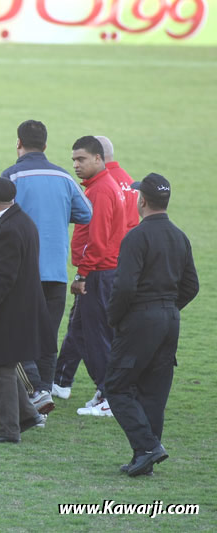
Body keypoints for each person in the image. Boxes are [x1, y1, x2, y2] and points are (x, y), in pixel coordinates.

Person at [104, 173, 198, 476]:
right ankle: (143, 460)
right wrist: (168, 308)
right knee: (154, 393)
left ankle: (147, 447)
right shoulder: (179, 236)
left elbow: (125, 287)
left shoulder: (137, 236)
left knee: (117, 387)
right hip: (170, 319)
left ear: (141, 200)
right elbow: (192, 285)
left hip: (141, 320)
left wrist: (115, 318)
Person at [1, 120, 93, 411]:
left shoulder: (11, 177)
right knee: (47, 336)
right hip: (56, 272)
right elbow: (85, 213)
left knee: (16, 334)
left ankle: (35, 392)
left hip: (22, 272)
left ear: (18, 143)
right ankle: (44, 391)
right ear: (46, 145)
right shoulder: (64, 177)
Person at [0, 178, 50, 443]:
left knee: (0, 367)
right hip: (20, 307)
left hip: (8, 310)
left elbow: (4, 277)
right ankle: (27, 415)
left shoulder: (8, 229)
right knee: (4, 364)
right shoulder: (21, 222)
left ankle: (6, 430)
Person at [56, 136, 126, 416]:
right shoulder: (105, 186)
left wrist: (81, 274)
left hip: (98, 272)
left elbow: (97, 240)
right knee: (82, 333)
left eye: (81, 159)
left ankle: (111, 396)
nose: (76, 165)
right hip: (105, 270)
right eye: (74, 159)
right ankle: (105, 391)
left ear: (99, 159)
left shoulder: (99, 191)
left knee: (95, 337)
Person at [97, 135, 139, 231]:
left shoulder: (103, 182)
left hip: (113, 243)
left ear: (96, 156)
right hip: (131, 241)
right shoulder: (128, 179)